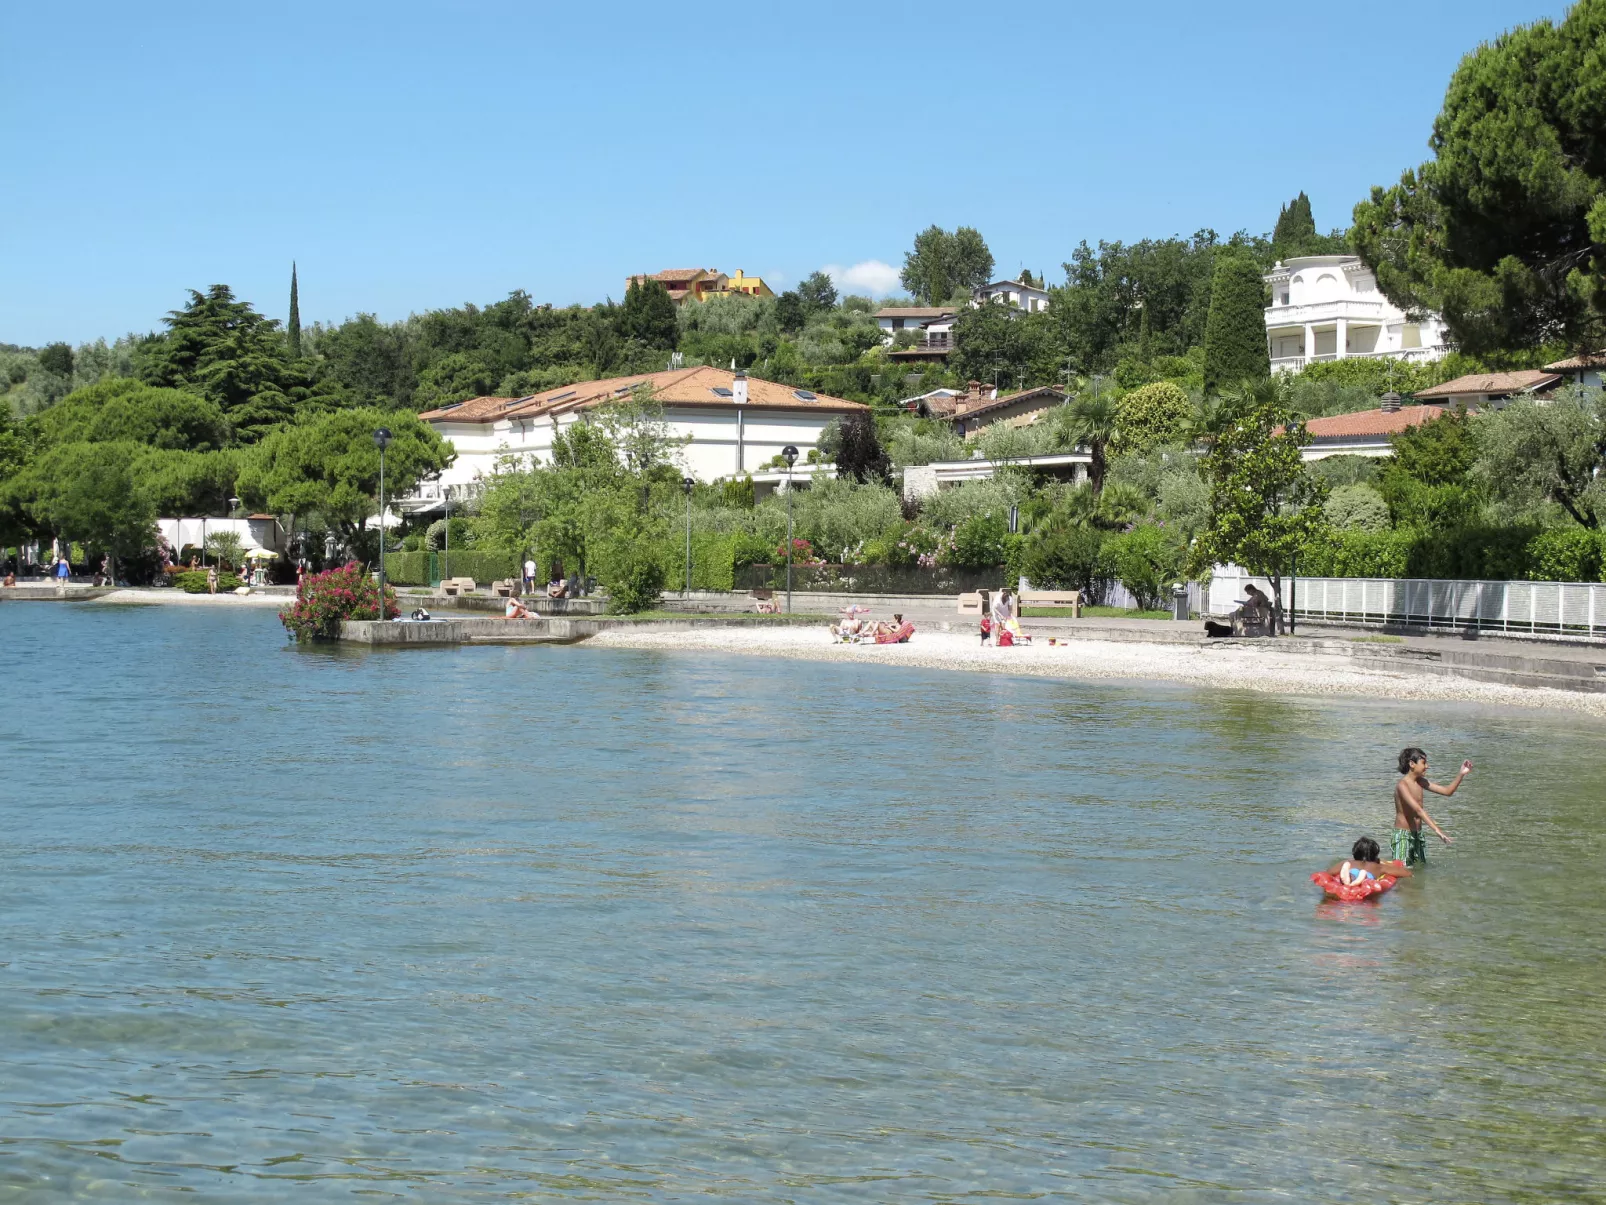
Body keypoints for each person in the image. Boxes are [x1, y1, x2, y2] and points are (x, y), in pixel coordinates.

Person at [1392, 747, 1466, 866]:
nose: (1427, 766)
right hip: (1403, 836)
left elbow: (1448, 791)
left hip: (1418, 834)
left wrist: (1461, 774)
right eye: (1424, 763)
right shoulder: (1402, 785)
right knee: (1402, 871)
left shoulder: (1421, 782)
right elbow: (1418, 810)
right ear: (1412, 764)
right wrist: (1438, 831)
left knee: (1420, 869)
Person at [1325, 836, 1412, 886]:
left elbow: (1328, 872)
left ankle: (1348, 877)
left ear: (1354, 853)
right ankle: (1360, 877)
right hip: (1367, 878)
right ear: (1375, 855)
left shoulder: (1349, 862)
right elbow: (1407, 873)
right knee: (1366, 877)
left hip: (1351, 871)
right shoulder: (1379, 867)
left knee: (1351, 873)